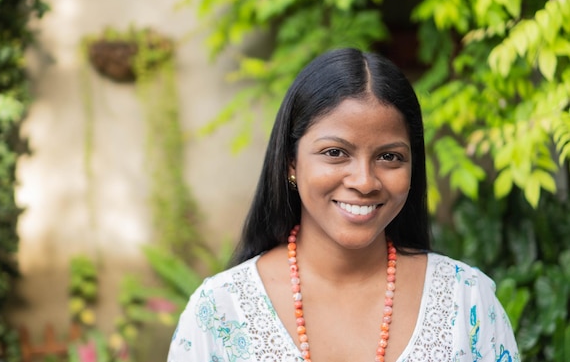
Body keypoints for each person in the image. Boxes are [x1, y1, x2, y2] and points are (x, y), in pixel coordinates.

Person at [167, 48, 520, 362]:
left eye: (389, 156)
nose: (364, 181)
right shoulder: (218, 312)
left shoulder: (466, 301)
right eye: (335, 153)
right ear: (291, 161)